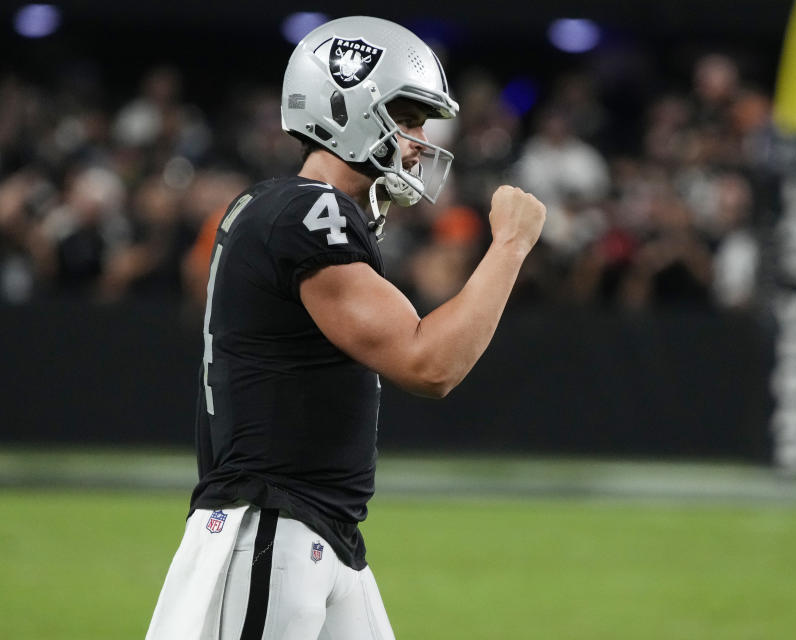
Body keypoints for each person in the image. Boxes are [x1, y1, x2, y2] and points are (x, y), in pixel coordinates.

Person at [145, 16, 545, 640]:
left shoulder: (296, 210)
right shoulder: (308, 210)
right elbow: (428, 363)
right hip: (270, 527)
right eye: (408, 119)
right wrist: (512, 245)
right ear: (347, 105)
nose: (418, 142)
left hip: (318, 532)